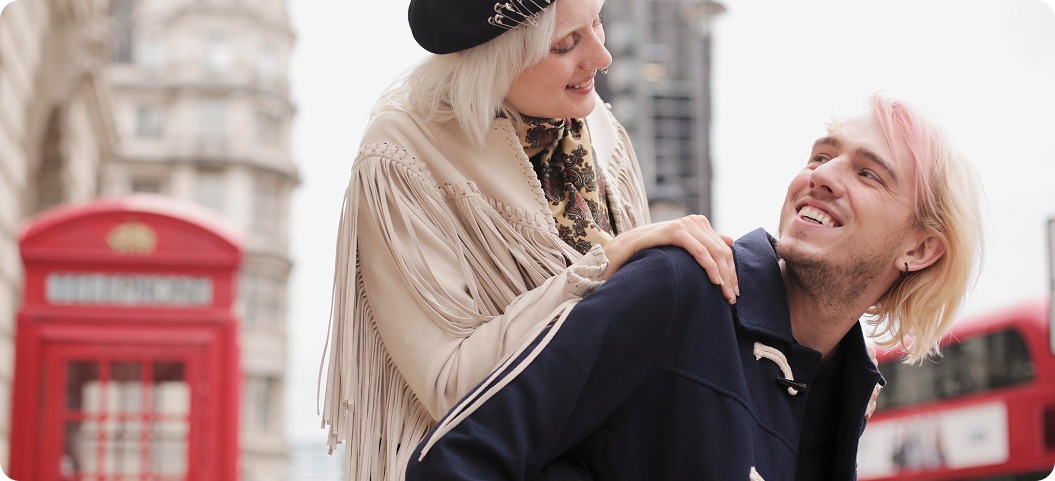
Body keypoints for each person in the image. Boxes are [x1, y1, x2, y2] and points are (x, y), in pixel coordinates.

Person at [404, 93, 984, 481]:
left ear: (920, 248)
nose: (822, 176)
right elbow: (458, 457)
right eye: (822, 155)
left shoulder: (845, 396)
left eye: (867, 173)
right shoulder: (678, 287)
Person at [318, 0, 743, 479]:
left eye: (598, 19)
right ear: (493, 58)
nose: (602, 56)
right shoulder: (401, 157)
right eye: (566, 44)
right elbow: (452, 386)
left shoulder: (599, 125)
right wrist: (605, 264)